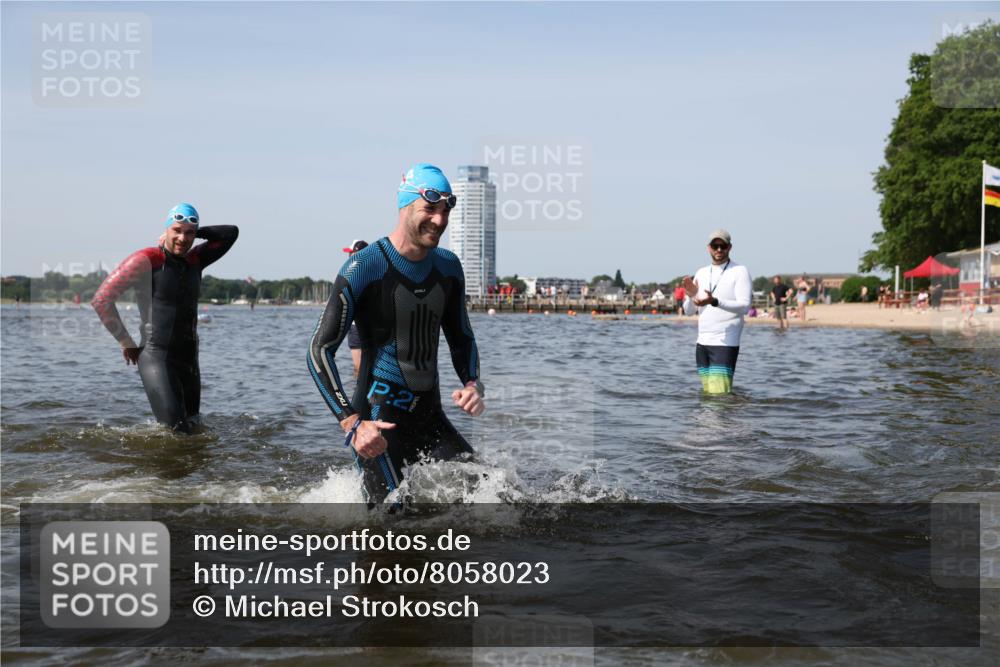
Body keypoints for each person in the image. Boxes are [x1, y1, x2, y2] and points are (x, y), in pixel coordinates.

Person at [309, 164, 485, 504]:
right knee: (391, 523)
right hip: (378, 423)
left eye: (445, 210)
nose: (440, 220)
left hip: (432, 420)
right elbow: (319, 351)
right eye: (430, 209)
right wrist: (352, 423)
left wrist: (472, 384)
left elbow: (461, 335)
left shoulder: (448, 267)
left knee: (496, 498)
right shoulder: (365, 266)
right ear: (404, 206)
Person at [91, 203, 238, 432]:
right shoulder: (146, 259)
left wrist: (192, 230)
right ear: (166, 229)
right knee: (177, 433)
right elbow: (102, 300)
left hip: (189, 361)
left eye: (189, 233)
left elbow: (230, 233)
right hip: (157, 357)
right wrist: (126, 342)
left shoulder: (196, 260)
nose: (183, 238)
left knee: (193, 428)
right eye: (176, 230)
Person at [682, 229, 752, 394]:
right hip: (702, 343)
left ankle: (724, 420)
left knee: (718, 396)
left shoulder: (740, 271)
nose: (719, 250)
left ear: (730, 247)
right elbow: (688, 312)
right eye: (715, 245)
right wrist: (691, 295)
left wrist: (714, 301)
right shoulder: (701, 272)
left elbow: (745, 306)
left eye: (723, 246)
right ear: (709, 248)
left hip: (725, 343)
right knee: (708, 395)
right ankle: (720, 420)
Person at [342, 239, 369, 377]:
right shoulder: (376, 270)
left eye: (351, 253)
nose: (349, 256)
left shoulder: (351, 273)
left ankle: (359, 395)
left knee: (359, 369)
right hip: (374, 325)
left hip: (357, 325)